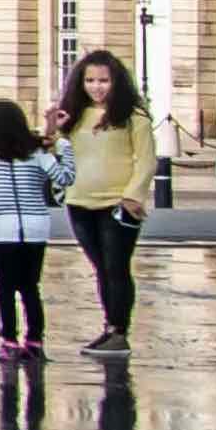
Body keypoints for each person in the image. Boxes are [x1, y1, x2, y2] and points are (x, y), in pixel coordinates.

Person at [55, 51, 158, 353]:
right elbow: (53, 154)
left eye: (103, 81)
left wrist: (133, 195)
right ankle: (109, 326)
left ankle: (118, 331)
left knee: (116, 267)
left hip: (117, 203)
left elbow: (147, 160)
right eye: (90, 81)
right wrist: (51, 128)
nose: (96, 87)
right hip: (79, 202)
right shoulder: (73, 115)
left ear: (116, 82)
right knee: (101, 268)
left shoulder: (133, 116)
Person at [0, 95, 71, 358]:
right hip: (35, 226)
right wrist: (63, 145)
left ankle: (9, 341)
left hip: (0, 227)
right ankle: (35, 341)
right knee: (30, 287)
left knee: (5, 288)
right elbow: (64, 178)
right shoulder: (36, 152)